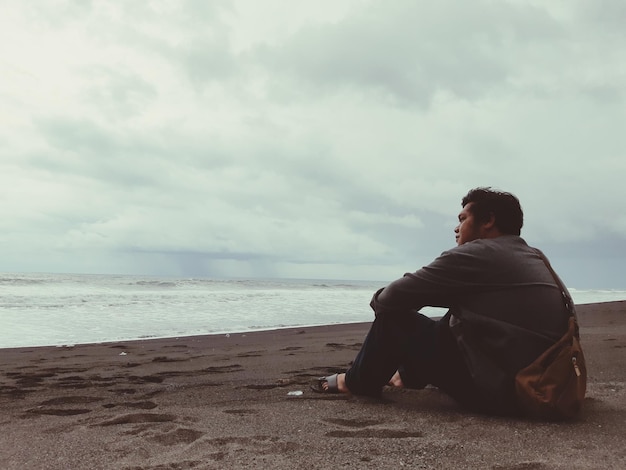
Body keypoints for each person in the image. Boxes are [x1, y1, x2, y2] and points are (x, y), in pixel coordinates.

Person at [312, 187, 573, 416]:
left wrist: (406, 302)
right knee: (454, 319)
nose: (456, 228)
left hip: (508, 394)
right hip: (549, 383)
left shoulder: (477, 255)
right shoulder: (533, 256)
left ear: (488, 221)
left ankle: (356, 382)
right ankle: (406, 376)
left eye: (463, 219)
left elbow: (388, 301)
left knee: (394, 322)